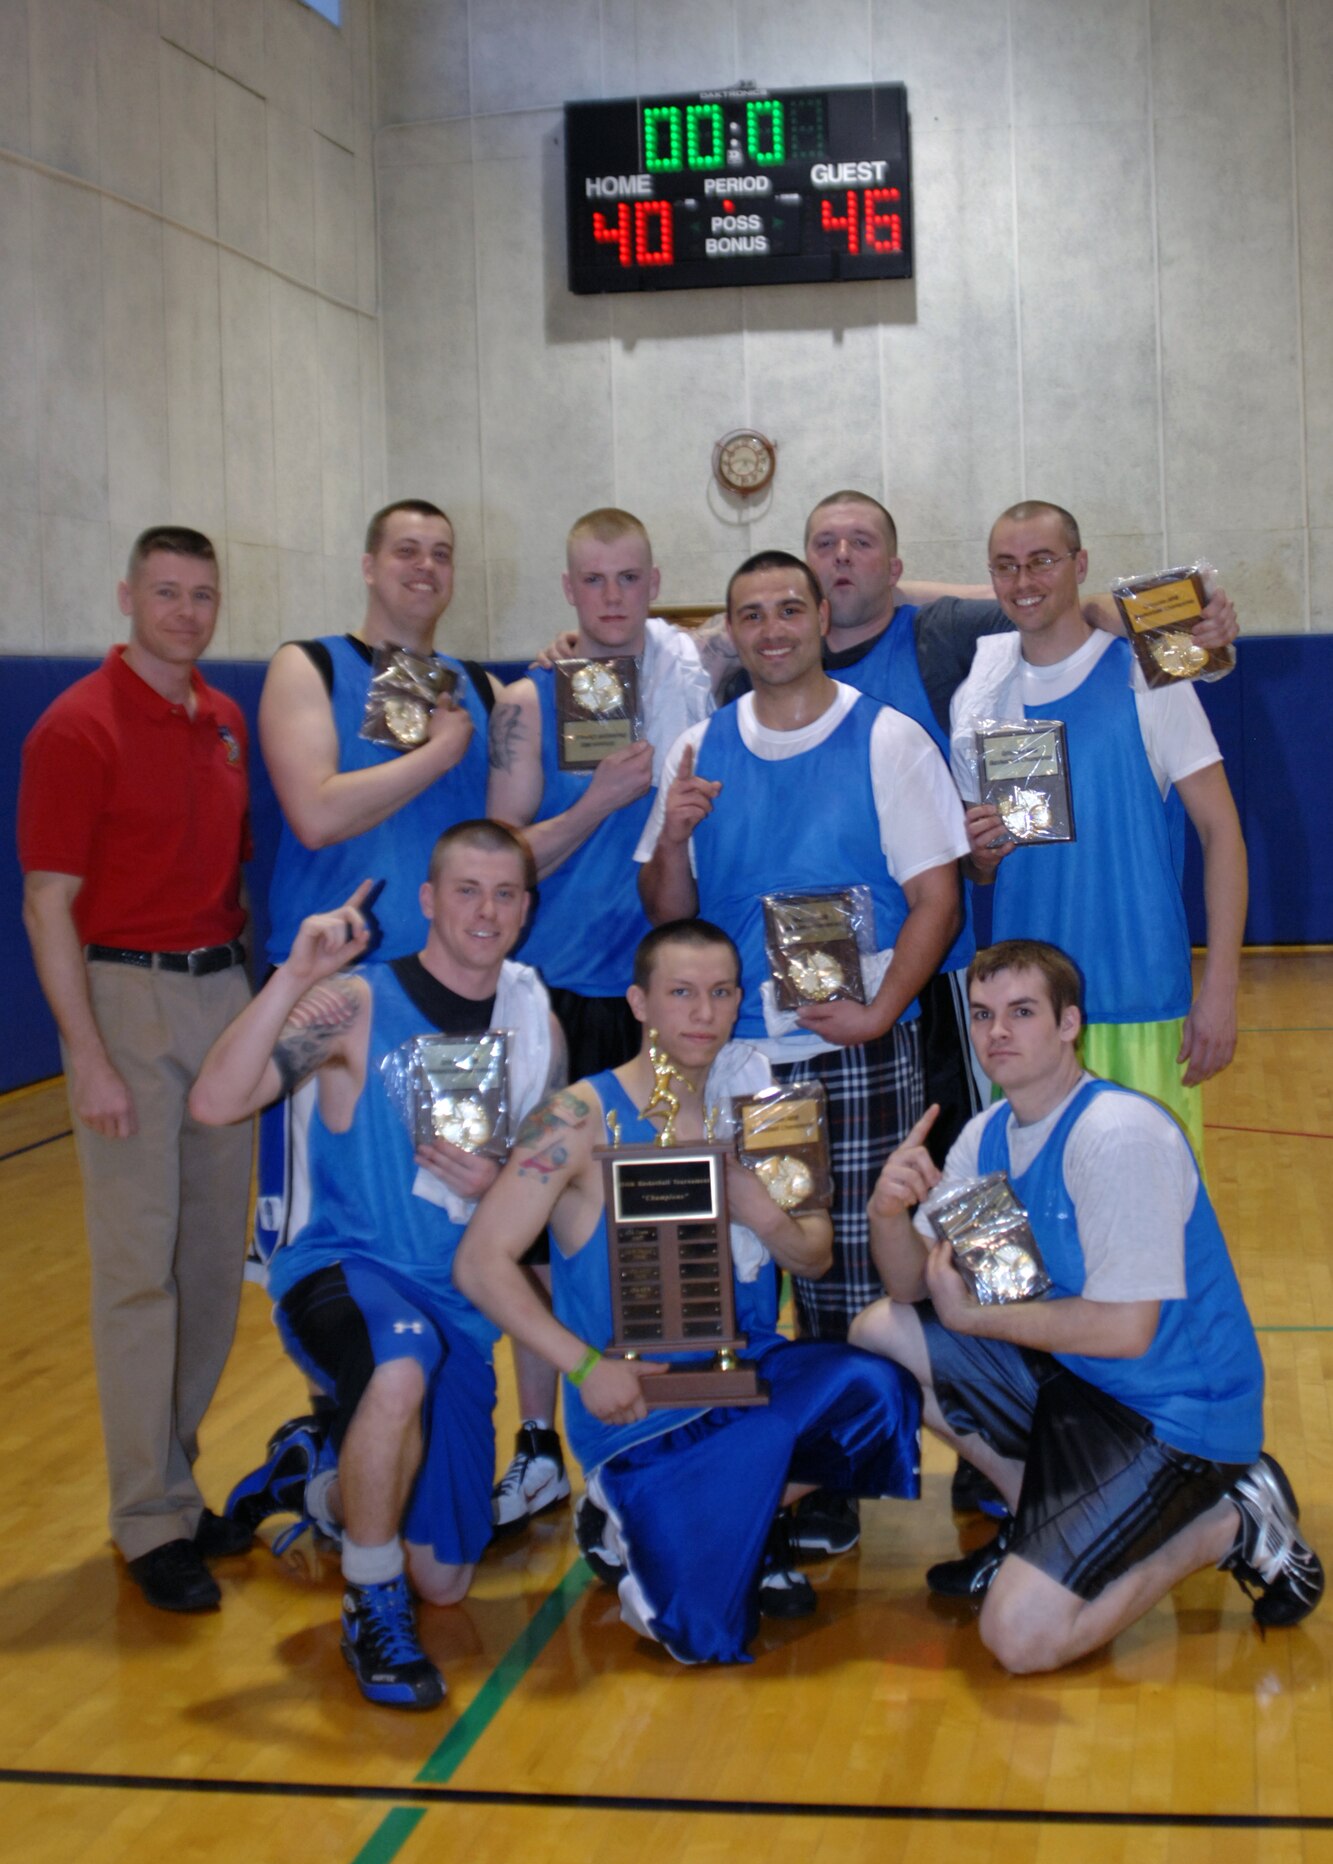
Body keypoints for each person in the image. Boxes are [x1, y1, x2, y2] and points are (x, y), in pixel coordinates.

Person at [453, 920, 922, 1666]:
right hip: (638, 1407)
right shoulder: (576, 1117)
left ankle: (737, 1516)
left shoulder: (765, 1109)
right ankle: (634, 1515)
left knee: (877, 1390)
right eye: (680, 993)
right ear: (639, 1002)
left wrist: (753, 1202)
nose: (704, 1013)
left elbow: (814, 1259)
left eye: (720, 993)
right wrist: (584, 1367)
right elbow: (480, 1263)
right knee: (703, 1637)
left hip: (746, 1379)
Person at [851, 939, 1322, 1673]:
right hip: (1079, 1386)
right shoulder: (986, 1135)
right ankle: (1030, 1517)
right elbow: (910, 1288)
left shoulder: (1116, 1137)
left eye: (1021, 1013)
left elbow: (1124, 1329)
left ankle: (1229, 1521)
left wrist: (975, 1319)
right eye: (983, 1015)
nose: (997, 1032)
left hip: (1177, 1419)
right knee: (881, 1332)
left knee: (1020, 1638)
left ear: (1069, 1024)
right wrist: (885, 1212)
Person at [189, 821, 562, 1709]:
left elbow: (549, 1182)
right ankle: (368, 1601)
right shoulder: (353, 1004)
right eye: (465, 890)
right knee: (397, 1365)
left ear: (525, 909)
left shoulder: (534, 1020)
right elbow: (215, 1101)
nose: (485, 911)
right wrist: (293, 977)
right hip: (347, 1271)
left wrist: (504, 1181)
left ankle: (315, 1477)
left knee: (446, 1580)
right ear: (427, 900)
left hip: (459, 1303)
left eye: (504, 894)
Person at [638, 551, 968, 1347]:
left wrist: (878, 1015)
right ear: (733, 631)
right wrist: (674, 839)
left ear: (820, 617)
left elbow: (938, 904)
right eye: (750, 615)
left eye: (788, 609)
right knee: (732, 1293)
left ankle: (862, 1425)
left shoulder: (889, 740)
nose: (771, 629)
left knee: (858, 1298)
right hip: (732, 1061)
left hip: (854, 1053)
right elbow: (668, 917)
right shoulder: (695, 749)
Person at [18, 526, 253, 1613]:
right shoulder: (76, 727)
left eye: (202, 595)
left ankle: (177, 1482)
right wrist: (88, 1057)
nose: (186, 613)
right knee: (135, 1272)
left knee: (207, 1264)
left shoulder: (225, 722)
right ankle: (147, 1515)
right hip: (124, 998)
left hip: (221, 992)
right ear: (127, 597)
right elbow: (47, 904)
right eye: (166, 593)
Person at [483, 508, 713, 1529]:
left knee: (657, 1226)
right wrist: (600, 800)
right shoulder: (527, 701)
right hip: (555, 998)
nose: (612, 597)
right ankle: (538, 1444)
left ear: (654, 584)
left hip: (661, 996)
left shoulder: (693, 679)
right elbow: (500, 858)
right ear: (568, 589)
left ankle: (658, 1438)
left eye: (629, 578)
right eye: (593, 580)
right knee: (537, 1233)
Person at [950, 502, 1246, 1160]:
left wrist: (1221, 989)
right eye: (1005, 566)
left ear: (1079, 565)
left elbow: (1220, 832)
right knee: (1039, 1212)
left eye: (1041, 561)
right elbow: (981, 867)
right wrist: (980, 858)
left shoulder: (1147, 675)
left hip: (1139, 999)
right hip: (1025, 1012)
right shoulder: (982, 695)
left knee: (1149, 1209)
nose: (1023, 581)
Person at [253, 500, 498, 1271]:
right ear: (368, 566)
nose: (425, 566)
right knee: (328, 1231)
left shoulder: (479, 689)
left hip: (453, 994)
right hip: (333, 988)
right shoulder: (310, 666)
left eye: (441, 553)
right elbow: (316, 815)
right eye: (406, 550)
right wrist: (438, 754)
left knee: (447, 1223)